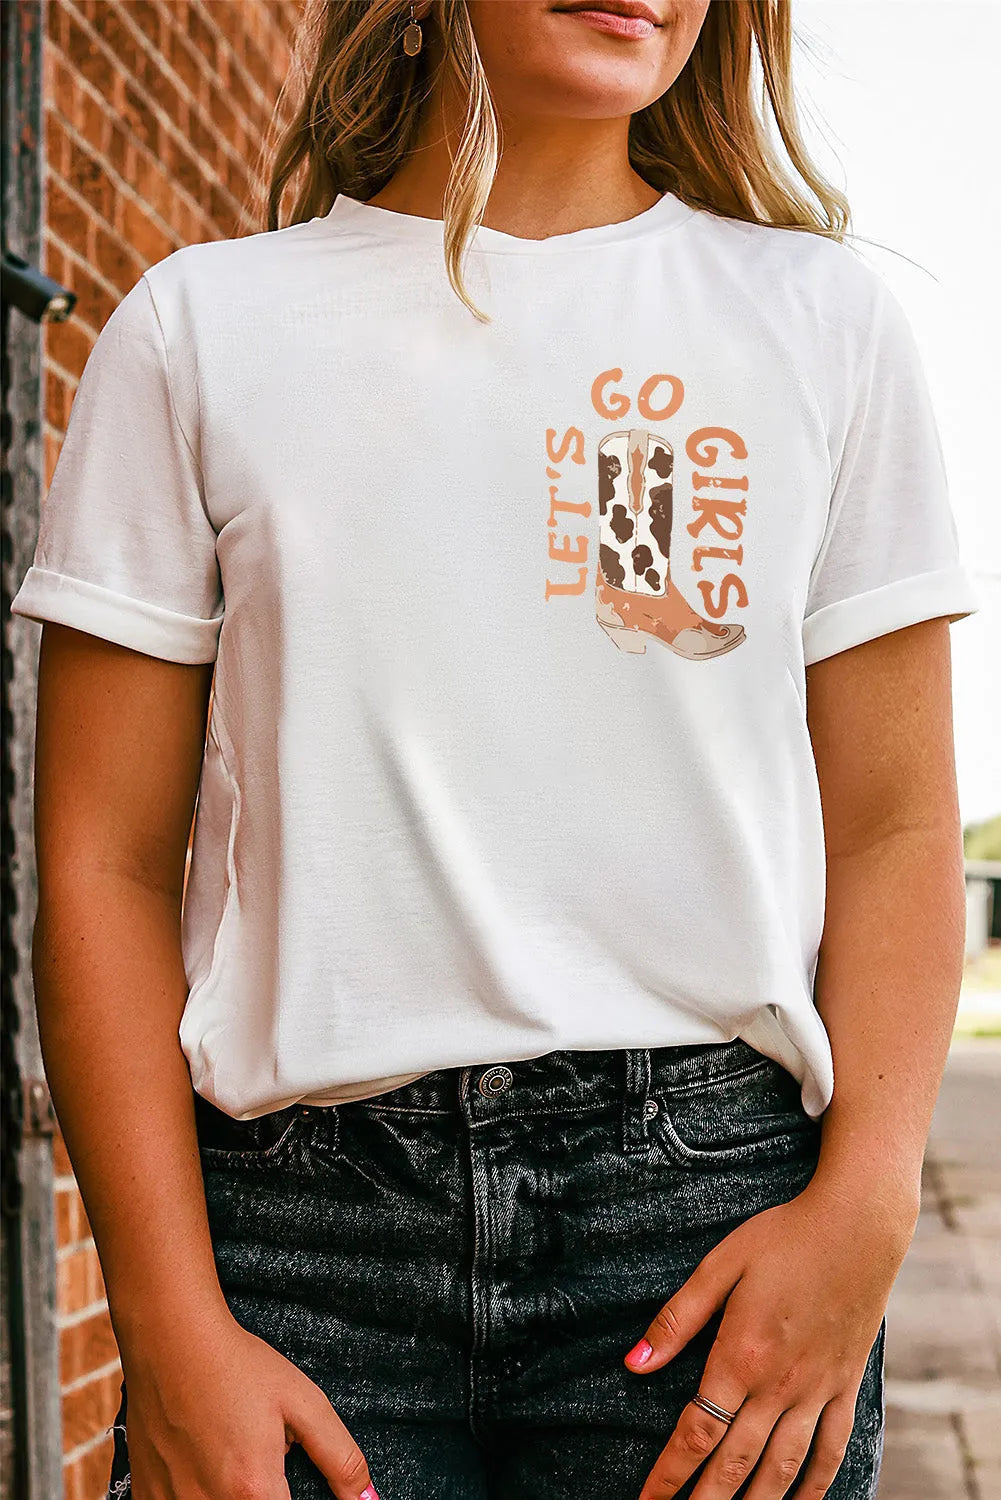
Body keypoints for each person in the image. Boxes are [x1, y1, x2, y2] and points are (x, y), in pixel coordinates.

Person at [10, 2, 979, 1498]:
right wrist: (164, 1313)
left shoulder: (813, 322)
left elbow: (897, 827)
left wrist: (863, 1214)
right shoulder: (201, 328)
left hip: (694, 1222)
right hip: (297, 1250)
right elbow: (102, 860)